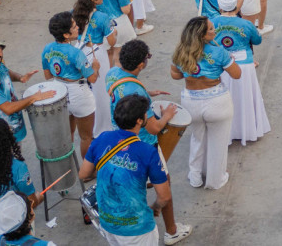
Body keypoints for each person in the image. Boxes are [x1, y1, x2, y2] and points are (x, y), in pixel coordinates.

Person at [104, 40, 192, 245]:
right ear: (141, 65)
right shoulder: (136, 90)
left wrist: (147, 93)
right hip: (144, 145)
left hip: (119, 140)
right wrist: (167, 115)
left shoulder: (113, 74)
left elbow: (124, 93)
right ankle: (171, 231)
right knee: (164, 184)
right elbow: (153, 128)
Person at [79, 94, 173, 246]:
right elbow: (164, 196)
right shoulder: (148, 152)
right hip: (137, 229)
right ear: (139, 121)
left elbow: (83, 174)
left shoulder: (102, 138)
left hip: (108, 223)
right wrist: (155, 208)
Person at [170, 16, 240, 190]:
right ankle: (216, 179)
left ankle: (195, 176)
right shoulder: (219, 52)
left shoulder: (180, 52)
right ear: (201, 35)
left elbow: (176, 75)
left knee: (197, 137)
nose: (214, 30)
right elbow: (236, 74)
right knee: (219, 142)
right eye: (210, 29)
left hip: (191, 102)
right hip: (217, 102)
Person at [211, 0, 270, 144]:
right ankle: (247, 129)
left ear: (219, 3)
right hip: (244, 65)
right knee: (245, 98)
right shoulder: (246, 24)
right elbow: (257, 40)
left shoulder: (211, 23)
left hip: (221, 65)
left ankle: (227, 132)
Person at [40, 11, 99, 160]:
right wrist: (96, 67)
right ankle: (87, 171)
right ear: (66, 35)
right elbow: (92, 78)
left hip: (59, 91)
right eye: (73, 26)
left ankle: (69, 165)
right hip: (79, 94)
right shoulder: (76, 54)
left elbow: (48, 76)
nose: (78, 27)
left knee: (68, 133)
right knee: (86, 137)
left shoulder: (47, 49)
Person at [0, 34, 51, 141]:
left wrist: (20, 77)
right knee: (9, 156)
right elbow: (7, 109)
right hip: (1, 130)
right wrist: (34, 98)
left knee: (17, 151)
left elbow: (5, 71)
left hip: (13, 124)